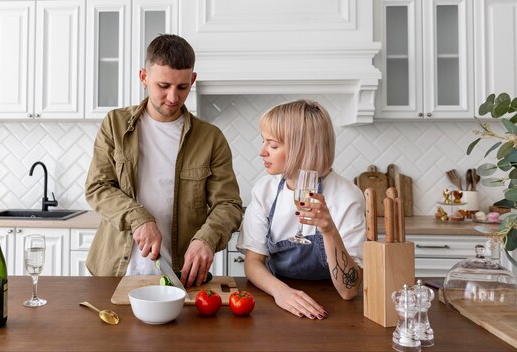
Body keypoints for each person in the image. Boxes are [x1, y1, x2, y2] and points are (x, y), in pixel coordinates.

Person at [85, 34, 243, 287]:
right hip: (114, 271)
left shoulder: (211, 138)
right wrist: (140, 219)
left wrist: (207, 238)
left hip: (180, 276)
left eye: (182, 87)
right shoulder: (115, 124)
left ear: (192, 79)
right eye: (163, 86)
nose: (172, 97)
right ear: (143, 77)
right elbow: (98, 188)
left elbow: (229, 204)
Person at [237, 99, 365, 319]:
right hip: (276, 301)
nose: (262, 152)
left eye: (273, 145)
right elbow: (253, 262)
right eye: (264, 142)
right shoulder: (264, 190)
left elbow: (349, 290)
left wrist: (329, 231)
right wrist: (282, 293)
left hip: (333, 310)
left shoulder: (347, 196)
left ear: (301, 149)